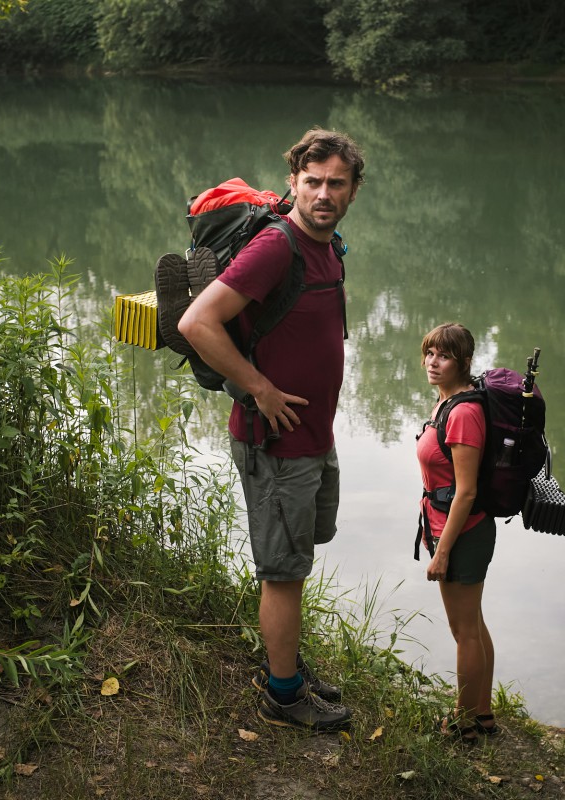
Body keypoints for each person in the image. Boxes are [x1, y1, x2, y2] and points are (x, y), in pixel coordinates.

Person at [178, 128, 364, 732]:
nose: (323, 193)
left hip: (312, 437)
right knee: (283, 575)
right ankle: (283, 696)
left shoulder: (328, 245)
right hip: (276, 441)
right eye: (313, 182)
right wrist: (259, 387)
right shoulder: (277, 246)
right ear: (294, 183)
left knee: (295, 564)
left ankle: (286, 666)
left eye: (336, 183)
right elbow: (197, 322)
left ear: (354, 191)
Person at [415, 323, 500, 743]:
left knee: (464, 631)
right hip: (447, 527)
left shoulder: (464, 413)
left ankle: (462, 723)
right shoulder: (446, 402)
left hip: (463, 533)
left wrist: (443, 552)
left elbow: (466, 492)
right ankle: (482, 714)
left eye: (444, 356)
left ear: (464, 362)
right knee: (473, 623)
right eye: (429, 353)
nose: (433, 363)